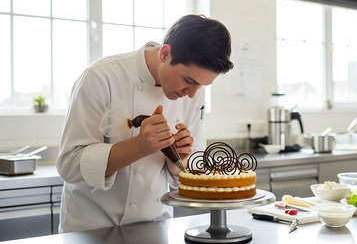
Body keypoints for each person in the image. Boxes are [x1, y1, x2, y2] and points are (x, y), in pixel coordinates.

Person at [56, 14, 233, 233]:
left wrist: (178, 158)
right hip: (91, 229)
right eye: (189, 81)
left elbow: (190, 174)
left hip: (155, 227)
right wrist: (139, 147)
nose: (192, 94)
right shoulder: (101, 77)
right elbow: (69, 164)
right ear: (165, 53)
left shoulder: (194, 93)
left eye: (202, 86)